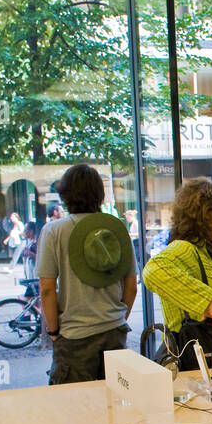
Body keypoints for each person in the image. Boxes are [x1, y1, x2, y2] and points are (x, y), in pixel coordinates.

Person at [37, 165, 137, 384]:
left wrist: (53, 331)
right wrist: (115, 318)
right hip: (114, 332)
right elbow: (131, 286)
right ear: (99, 194)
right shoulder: (118, 230)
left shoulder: (54, 231)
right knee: (116, 403)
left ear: (65, 194)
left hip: (74, 336)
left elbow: (46, 290)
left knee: (76, 409)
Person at [143, 179, 212, 364]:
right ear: (207, 216)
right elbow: (153, 270)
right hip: (207, 370)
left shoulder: (206, 251)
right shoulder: (185, 248)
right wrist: (206, 301)